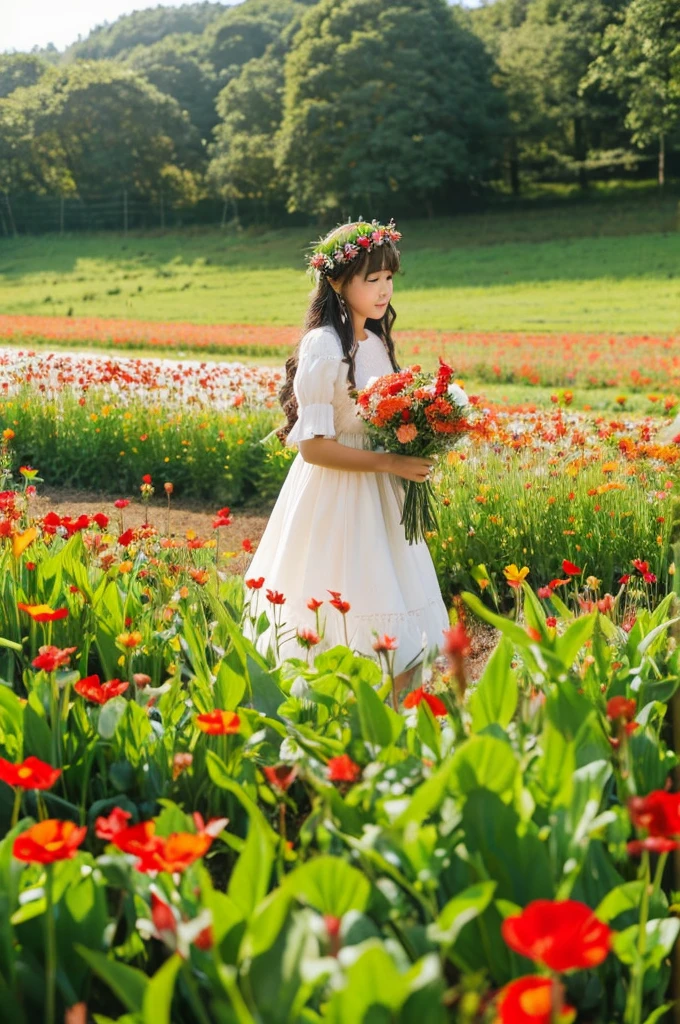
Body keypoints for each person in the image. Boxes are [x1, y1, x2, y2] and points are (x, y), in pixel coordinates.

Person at [242, 218, 451, 696]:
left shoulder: (375, 342)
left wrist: (415, 437)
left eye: (389, 278)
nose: (384, 290)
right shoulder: (323, 346)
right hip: (338, 495)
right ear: (338, 282)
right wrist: (390, 464)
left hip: (383, 494)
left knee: (397, 604)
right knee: (346, 605)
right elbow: (314, 448)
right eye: (371, 279)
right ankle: (342, 718)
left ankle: (393, 721)